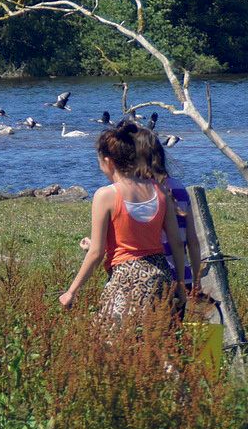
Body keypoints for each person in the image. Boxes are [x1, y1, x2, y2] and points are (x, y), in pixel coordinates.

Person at [60, 122, 192, 322]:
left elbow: (97, 252)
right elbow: (176, 243)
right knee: (156, 344)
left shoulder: (106, 195)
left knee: (113, 346)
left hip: (126, 280)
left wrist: (72, 291)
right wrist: (180, 285)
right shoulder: (160, 191)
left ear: (108, 161)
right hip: (160, 278)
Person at [133, 126, 206, 309]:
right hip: (184, 277)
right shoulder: (179, 188)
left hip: (154, 278)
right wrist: (197, 282)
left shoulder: (141, 191)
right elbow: (193, 242)